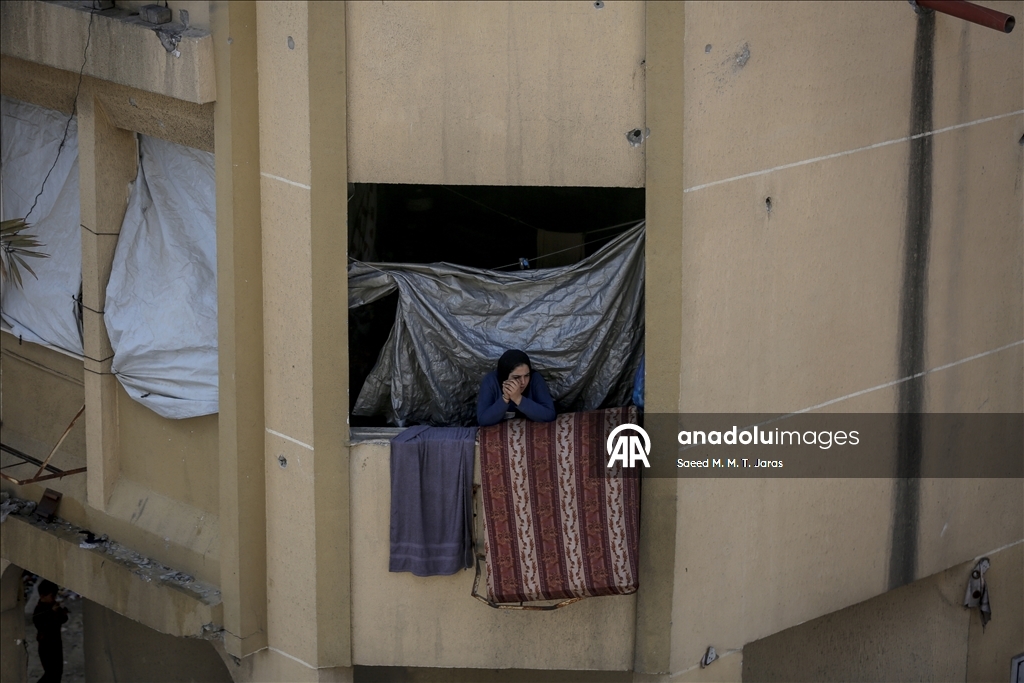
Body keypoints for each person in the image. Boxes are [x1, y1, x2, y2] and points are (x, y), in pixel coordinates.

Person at [477, 349, 556, 426]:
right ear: (505, 376)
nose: (523, 382)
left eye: (526, 375)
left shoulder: (535, 379)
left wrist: (518, 399)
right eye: (516, 377)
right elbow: (483, 420)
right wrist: (505, 399)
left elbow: (549, 414)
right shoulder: (491, 381)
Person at [33, 579, 68, 683]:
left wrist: (61, 612)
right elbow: (42, 625)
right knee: (51, 674)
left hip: (56, 644)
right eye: (52, 596)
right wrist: (52, 612)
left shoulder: (53, 606)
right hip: (46, 646)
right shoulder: (39, 610)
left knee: (57, 673)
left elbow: (63, 620)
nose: (54, 598)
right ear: (43, 596)